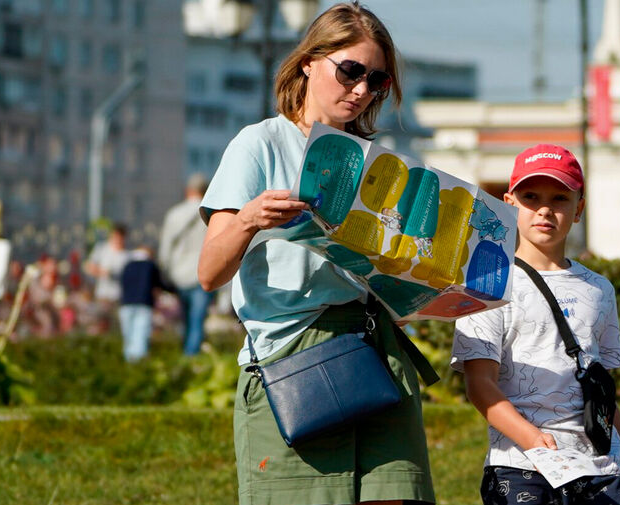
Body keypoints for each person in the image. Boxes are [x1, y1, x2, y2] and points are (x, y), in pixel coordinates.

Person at [196, 3, 434, 505]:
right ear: (309, 60)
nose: (361, 90)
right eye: (350, 71)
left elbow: (400, 282)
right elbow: (209, 272)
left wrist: (427, 282)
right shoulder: (259, 144)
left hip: (378, 350)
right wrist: (248, 219)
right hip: (295, 357)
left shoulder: (380, 162)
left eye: (377, 81)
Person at [450, 144, 620, 505]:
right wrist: (530, 438)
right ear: (509, 203)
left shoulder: (599, 289)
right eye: (531, 196)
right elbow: (480, 384)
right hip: (520, 468)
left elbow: (602, 395)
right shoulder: (487, 284)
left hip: (602, 471)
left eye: (560, 198)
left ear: (579, 209)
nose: (545, 209)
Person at [159, 172, 214, 355]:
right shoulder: (210, 213)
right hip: (202, 274)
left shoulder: (174, 214)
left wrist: (165, 272)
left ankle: (185, 355)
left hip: (179, 275)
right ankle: (191, 358)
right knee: (197, 320)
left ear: (187, 190)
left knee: (185, 320)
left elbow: (165, 248)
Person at [118, 246, 167, 362]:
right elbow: (159, 284)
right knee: (140, 336)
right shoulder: (150, 265)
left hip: (126, 304)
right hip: (144, 304)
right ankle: (139, 365)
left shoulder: (127, 265)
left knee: (129, 337)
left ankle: (129, 363)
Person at [85, 223, 131, 305]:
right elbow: (89, 267)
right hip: (102, 296)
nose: (117, 240)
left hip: (118, 298)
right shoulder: (102, 249)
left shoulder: (127, 256)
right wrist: (104, 272)